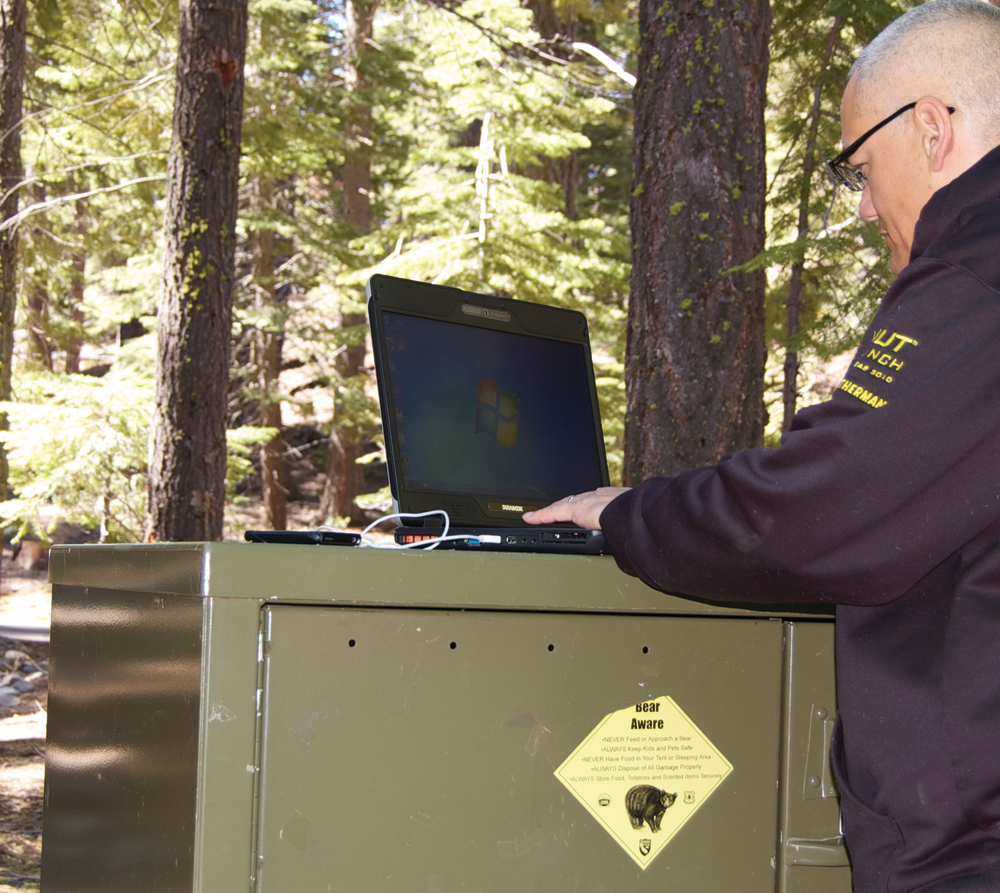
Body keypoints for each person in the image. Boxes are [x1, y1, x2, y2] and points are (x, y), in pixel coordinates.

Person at [524, 2, 1000, 891]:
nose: (866, 206)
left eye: (861, 168)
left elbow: (826, 503)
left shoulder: (977, 275)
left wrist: (631, 514)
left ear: (931, 129)